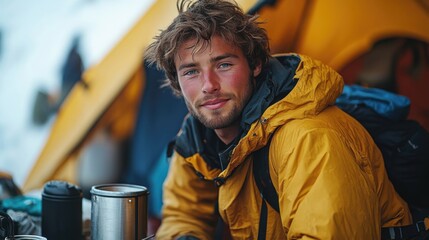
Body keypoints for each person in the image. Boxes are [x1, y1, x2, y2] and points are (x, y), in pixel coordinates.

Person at [144, 0, 412, 239]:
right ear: (176, 83)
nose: (209, 85)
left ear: (255, 65)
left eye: (224, 64)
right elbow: (183, 214)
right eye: (191, 71)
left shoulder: (309, 139)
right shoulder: (199, 138)